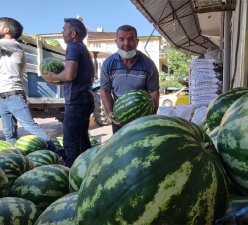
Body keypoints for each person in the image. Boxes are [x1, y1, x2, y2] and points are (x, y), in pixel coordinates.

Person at [43, 18, 94, 167]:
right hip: (85, 101)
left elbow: (69, 75)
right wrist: (58, 79)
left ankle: (70, 176)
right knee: (82, 141)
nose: (61, 32)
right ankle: (87, 170)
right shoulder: (82, 48)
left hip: (76, 102)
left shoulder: (72, 46)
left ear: (72, 33)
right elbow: (74, 77)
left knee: (71, 145)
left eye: (64, 29)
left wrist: (53, 76)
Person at [0, 17, 57, 150]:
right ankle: (16, 157)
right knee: (9, 133)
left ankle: (57, 153)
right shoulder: (4, 50)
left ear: (7, 29)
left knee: (30, 126)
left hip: (13, 95)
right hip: (2, 96)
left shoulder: (14, 45)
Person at [100, 25, 159, 133]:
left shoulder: (148, 64)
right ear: (116, 41)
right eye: (121, 39)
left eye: (130, 39)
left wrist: (150, 118)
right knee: (119, 148)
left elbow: (154, 92)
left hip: (141, 121)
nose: (126, 44)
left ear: (137, 41)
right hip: (119, 118)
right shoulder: (108, 64)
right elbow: (105, 91)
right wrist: (110, 113)